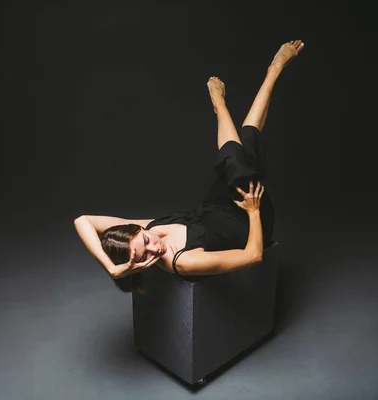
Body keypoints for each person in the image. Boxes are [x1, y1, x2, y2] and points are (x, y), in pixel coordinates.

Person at [74, 40, 305, 293]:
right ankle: (225, 101)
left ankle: (270, 73)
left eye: (146, 242)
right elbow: (253, 256)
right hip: (247, 219)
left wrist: (111, 268)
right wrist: (253, 211)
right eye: (141, 258)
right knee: (237, 163)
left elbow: (83, 220)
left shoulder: (145, 227)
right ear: (136, 267)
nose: (154, 249)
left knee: (245, 144)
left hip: (217, 206)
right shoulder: (181, 261)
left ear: (139, 230)